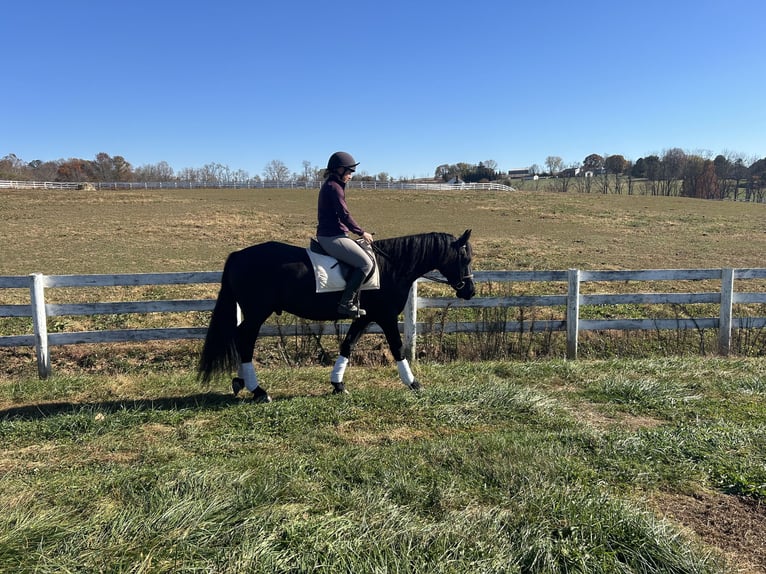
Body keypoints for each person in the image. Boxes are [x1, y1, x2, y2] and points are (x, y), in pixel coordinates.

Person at [316, 151, 374, 317]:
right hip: (332, 237)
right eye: (349, 171)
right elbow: (344, 214)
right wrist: (361, 232)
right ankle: (346, 303)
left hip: (333, 234)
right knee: (365, 264)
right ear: (339, 170)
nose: (350, 175)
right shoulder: (334, 188)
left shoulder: (332, 185)